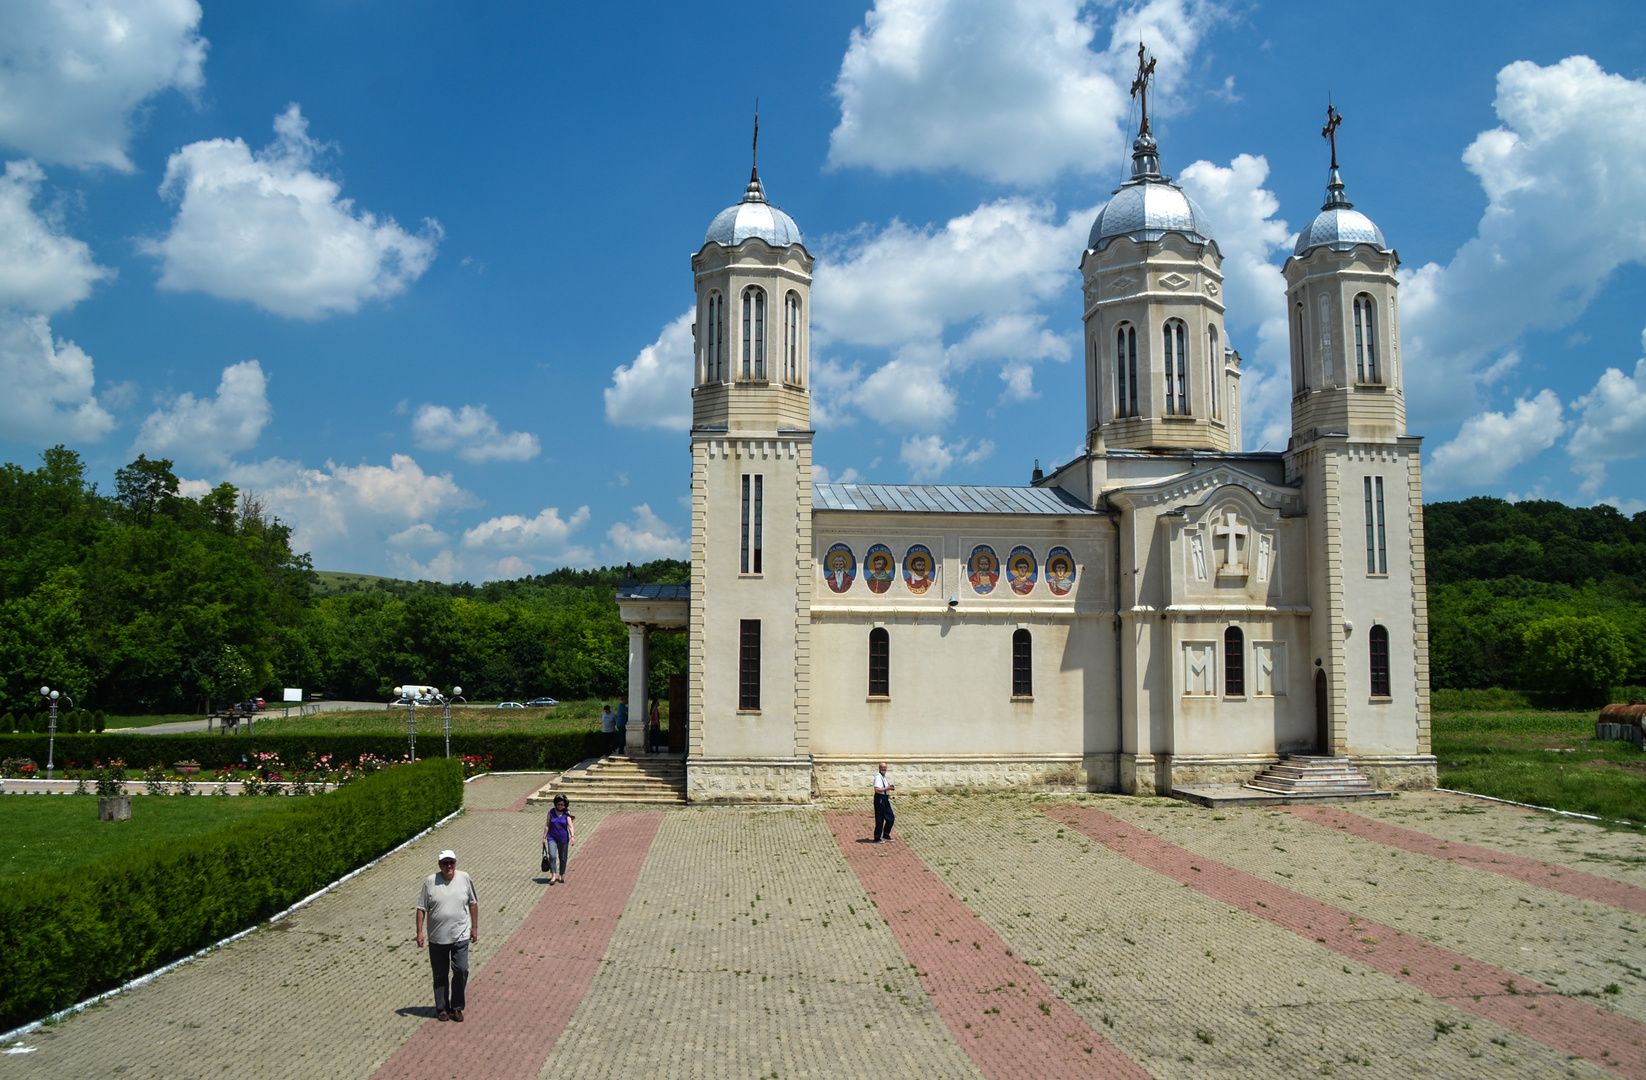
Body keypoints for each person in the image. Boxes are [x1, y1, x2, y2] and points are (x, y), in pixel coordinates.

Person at [415, 849, 478, 1022]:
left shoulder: (464, 878)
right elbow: (421, 908)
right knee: (440, 974)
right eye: (445, 863)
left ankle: (457, 1007)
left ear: (455, 863)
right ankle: (442, 1009)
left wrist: (474, 928)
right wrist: (419, 932)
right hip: (437, 938)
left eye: (451, 862)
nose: (448, 866)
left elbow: (473, 903)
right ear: (440, 865)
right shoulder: (430, 882)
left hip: (460, 935)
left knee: (461, 969)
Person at [542, 795, 575, 884]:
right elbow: (547, 825)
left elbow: (570, 826)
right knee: (552, 855)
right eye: (558, 804)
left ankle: (561, 875)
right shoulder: (551, 812)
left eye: (562, 804)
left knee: (563, 857)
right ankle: (553, 875)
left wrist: (572, 836)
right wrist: (544, 837)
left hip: (563, 838)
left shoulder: (567, 813)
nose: (560, 806)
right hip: (551, 837)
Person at [873, 762, 896, 843]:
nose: (884, 769)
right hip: (880, 799)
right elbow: (877, 789)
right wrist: (887, 788)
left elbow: (885, 787)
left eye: (885, 767)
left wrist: (890, 788)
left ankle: (886, 834)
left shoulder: (883, 777)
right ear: (879, 768)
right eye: (882, 767)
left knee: (891, 817)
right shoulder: (878, 777)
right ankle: (877, 837)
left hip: (885, 799)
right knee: (880, 818)